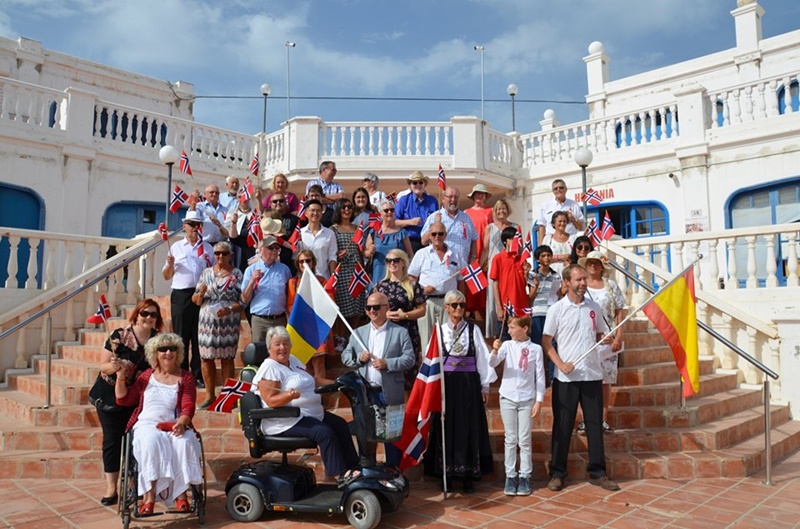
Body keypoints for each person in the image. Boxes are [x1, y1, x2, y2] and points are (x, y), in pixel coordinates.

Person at [542, 264, 620, 492]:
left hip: (592, 375)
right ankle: (557, 473)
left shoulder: (594, 307)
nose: (583, 283)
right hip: (566, 378)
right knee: (563, 426)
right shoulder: (556, 309)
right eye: (578, 280)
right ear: (567, 282)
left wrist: (605, 338)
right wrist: (560, 364)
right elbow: (546, 342)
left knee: (595, 426)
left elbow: (599, 334)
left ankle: (598, 472)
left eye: (584, 279)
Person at [252, 326, 360, 481]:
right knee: (324, 432)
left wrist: (337, 383)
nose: (282, 347)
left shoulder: (292, 360)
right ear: (269, 348)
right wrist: (288, 396)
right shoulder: (270, 368)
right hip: (286, 420)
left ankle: (354, 467)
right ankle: (339, 474)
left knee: (340, 425)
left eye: (285, 343)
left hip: (309, 414)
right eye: (277, 344)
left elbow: (311, 380)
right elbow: (270, 401)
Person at [115, 333, 202, 514]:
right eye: (163, 349)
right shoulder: (146, 376)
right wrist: (121, 377)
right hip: (147, 424)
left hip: (174, 423)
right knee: (151, 441)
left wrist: (182, 422)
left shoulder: (186, 377)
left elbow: (188, 406)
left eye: (172, 349)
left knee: (184, 442)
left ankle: (181, 495)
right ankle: (149, 497)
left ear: (178, 353)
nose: (168, 353)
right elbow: (124, 399)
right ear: (155, 353)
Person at [424, 290, 495, 493]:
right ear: (446, 308)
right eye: (454, 305)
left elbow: (482, 356)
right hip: (446, 385)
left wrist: (485, 386)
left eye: (462, 305)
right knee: (445, 426)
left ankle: (467, 475)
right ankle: (445, 474)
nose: (458, 309)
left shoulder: (473, 329)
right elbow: (431, 359)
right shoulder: (438, 331)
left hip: (468, 384)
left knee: (468, 426)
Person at [96, 299, 163, 505]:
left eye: (153, 315)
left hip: (137, 397)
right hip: (109, 394)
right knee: (112, 441)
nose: (148, 318)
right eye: (144, 313)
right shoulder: (119, 336)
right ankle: (111, 488)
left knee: (137, 440)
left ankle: (135, 484)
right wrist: (115, 368)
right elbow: (103, 365)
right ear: (136, 315)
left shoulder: (158, 341)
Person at [341, 292, 416, 466]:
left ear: (387, 308)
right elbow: (345, 356)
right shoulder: (358, 333)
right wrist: (359, 358)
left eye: (376, 307)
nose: (372, 311)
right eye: (368, 308)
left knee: (391, 437)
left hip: (388, 392)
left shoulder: (400, 332)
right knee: (367, 436)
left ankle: (394, 471)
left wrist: (387, 363)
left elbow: (410, 359)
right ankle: (369, 470)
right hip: (365, 394)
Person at [489, 316, 545, 496]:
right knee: (510, 438)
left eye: (513, 327)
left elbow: (540, 376)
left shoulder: (536, 349)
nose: (509, 331)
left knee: (525, 439)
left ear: (525, 328)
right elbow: (492, 363)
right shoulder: (507, 345)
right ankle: (510, 475)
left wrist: (539, 400)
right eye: (509, 327)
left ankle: (525, 476)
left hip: (527, 398)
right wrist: (494, 350)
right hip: (508, 397)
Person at [162, 210, 214, 387]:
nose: (194, 228)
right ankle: (182, 373)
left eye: (198, 224)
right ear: (184, 226)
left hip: (202, 294)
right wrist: (170, 264)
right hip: (181, 295)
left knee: (199, 336)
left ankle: (198, 375)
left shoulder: (207, 248)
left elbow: (214, 271)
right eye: (191, 224)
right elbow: (166, 276)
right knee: (181, 336)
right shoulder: (176, 247)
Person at [193, 241, 243, 408]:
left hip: (228, 321)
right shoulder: (206, 273)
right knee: (206, 358)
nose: (220, 256)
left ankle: (227, 397)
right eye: (217, 253)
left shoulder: (236, 274)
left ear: (230, 255)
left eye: (224, 253)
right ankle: (209, 395)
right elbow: (196, 300)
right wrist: (201, 293)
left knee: (227, 358)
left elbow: (242, 300)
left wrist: (229, 309)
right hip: (207, 322)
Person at [580, 250, 626, 432]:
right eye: (590, 262)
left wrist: (619, 336)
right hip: (586, 337)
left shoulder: (611, 286)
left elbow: (620, 312)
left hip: (608, 338)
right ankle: (586, 419)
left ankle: (603, 419)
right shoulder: (581, 285)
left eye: (596, 263)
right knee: (585, 379)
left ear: (602, 266)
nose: (593, 265)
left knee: (605, 381)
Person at [373, 249, 427, 392]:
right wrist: (383, 315)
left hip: (408, 333)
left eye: (395, 260)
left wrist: (406, 315)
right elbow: (371, 310)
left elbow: (422, 310)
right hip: (386, 334)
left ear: (403, 263)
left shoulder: (413, 285)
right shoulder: (380, 286)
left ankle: (408, 405)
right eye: (388, 261)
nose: (392, 263)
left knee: (408, 374)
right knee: (387, 370)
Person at [408, 222, 465, 355]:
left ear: (445, 235)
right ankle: (427, 367)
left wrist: (462, 303)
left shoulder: (455, 254)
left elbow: (461, 279)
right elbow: (411, 277)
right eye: (434, 234)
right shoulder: (422, 253)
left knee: (450, 339)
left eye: (440, 233)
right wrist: (422, 289)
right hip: (427, 302)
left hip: (449, 303)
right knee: (427, 340)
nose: (437, 237)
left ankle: (448, 367)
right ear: (429, 235)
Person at [288, 250, 334, 379]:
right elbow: (290, 306)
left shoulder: (322, 281)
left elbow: (330, 302)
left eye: (307, 260)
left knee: (319, 364)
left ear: (313, 262)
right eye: (301, 261)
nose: (305, 264)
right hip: (301, 328)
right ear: (298, 264)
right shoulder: (293, 282)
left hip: (318, 327)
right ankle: (308, 391)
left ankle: (322, 392)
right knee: (304, 365)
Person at [330, 198, 369, 350]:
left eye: (349, 207)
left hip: (356, 271)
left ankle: (355, 338)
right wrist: (338, 256)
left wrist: (364, 270)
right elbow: (331, 253)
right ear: (338, 209)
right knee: (343, 307)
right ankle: (341, 339)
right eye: (344, 207)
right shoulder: (333, 229)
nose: (347, 210)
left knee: (357, 307)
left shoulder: (357, 229)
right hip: (342, 272)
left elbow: (360, 251)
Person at [241, 236, 292, 342]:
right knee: (259, 351)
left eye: (276, 248)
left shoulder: (285, 270)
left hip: (279, 320)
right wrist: (252, 280)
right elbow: (244, 299)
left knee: (280, 350)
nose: (274, 250)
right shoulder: (251, 270)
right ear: (261, 250)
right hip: (259, 321)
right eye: (271, 248)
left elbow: (289, 294)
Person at [489, 226, 532, 340]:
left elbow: (525, 284)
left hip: (521, 307)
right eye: (512, 238)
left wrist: (527, 273)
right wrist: (499, 307)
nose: (516, 240)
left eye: (517, 238)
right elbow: (495, 283)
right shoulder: (498, 258)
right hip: (506, 307)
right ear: (505, 241)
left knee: (522, 340)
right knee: (505, 340)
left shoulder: (522, 259)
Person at [421, 186, 478, 268]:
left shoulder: (466, 217)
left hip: (462, 266)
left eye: (456, 197)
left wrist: (473, 257)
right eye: (450, 197)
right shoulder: (434, 217)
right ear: (443, 199)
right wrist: (436, 224)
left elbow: (474, 239)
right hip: (442, 266)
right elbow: (424, 241)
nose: (453, 200)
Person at [483, 198, 516, 337]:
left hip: (510, 266)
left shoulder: (515, 227)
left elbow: (519, 248)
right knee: (493, 297)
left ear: (508, 210)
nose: (501, 211)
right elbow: (486, 248)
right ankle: (494, 333)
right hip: (495, 266)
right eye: (499, 209)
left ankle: (512, 329)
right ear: (495, 211)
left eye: (504, 208)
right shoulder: (489, 227)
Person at [366, 200, 413, 286]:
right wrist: (369, 252)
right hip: (379, 272)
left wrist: (405, 269)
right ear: (380, 213)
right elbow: (366, 253)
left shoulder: (402, 233)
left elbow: (410, 254)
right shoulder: (374, 232)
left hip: (397, 273)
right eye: (386, 210)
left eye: (392, 210)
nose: (389, 212)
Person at [464, 184, 493, 319]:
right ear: (473, 196)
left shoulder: (490, 211)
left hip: (484, 251)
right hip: (470, 251)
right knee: (469, 286)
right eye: (477, 193)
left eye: (482, 193)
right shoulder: (466, 213)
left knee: (483, 288)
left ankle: (482, 321)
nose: (480, 196)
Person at [394, 171, 438, 253]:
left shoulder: (432, 201)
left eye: (420, 182)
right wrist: (410, 222)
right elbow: (395, 222)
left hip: (428, 242)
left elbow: (437, 221)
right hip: (409, 242)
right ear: (410, 186)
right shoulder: (404, 200)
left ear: (424, 184)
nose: (418, 185)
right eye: (414, 183)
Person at [529, 245, 562, 347]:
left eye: (548, 255)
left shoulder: (556, 275)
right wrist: (536, 286)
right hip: (537, 312)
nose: (546, 258)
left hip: (551, 312)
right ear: (538, 259)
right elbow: (530, 297)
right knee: (537, 342)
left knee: (551, 342)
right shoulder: (532, 274)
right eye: (543, 256)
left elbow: (558, 295)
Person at [296, 199, 338, 280]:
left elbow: (332, 257)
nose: (315, 213)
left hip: (323, 278)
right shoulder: (300, 233)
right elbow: (296, 257)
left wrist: (332, 279)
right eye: (312, 210)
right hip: (304, 278)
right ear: (306, 213)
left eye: (318, 211)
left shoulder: (330, 234)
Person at [535, 178, 584, 243]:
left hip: (570, 241)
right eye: (555, 188)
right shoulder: (546, 206)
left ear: (566, 189)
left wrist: (573, 219)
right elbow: (542, 227)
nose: (558, 190)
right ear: (553, 191)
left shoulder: (574, 205)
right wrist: (540, 246)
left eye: (561, 188)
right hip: (552, 242)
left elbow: (581, 227)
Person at [264, 192, 299, 274]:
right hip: (267, 259)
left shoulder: (294, 219)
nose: (278, 203)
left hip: (288, 260)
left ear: (285, 202)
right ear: (270, 204)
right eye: (275, 201)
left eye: (281, 201)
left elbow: (291, 240)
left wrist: (293, 248)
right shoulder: (266, 219)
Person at [225, 194, 258, 272]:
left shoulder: (254, 213)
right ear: (237, 198)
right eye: (240, 197)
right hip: (237, 246)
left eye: (245, 196)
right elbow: (227, 231)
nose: (243, 199)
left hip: (251, 245)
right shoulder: (232, 213)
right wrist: (233, 222)